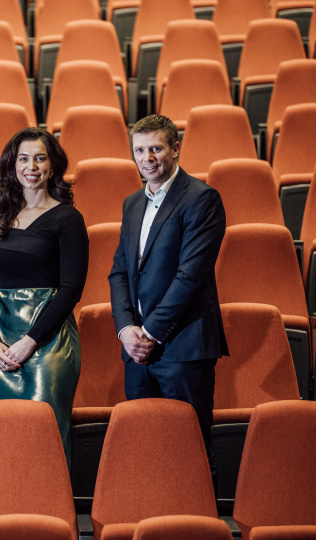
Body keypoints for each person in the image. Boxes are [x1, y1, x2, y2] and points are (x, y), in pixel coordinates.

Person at [108, 113, 227, 461]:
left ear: (175, 149)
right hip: (137, 352)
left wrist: (150, 333)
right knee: (143, 447)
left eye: (156, 148)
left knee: (187, 449)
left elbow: (190, 275)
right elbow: (118, 272)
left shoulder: (201, 198)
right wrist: (126, 330)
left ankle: (194, 516)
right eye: (140, 150)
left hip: (183, 347)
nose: (147, 158)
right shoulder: (132, 203)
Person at [0, 127, 89, 459]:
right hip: (1, 347)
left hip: (48, 344)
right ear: (13, 166)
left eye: (40, 158)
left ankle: (52, 511)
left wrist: (31, 341)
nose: (32, 166)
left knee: (45, 438)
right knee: (6, 438)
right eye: (24, 158)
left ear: (53, 165)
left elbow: (71, 290)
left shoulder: (68, 219)